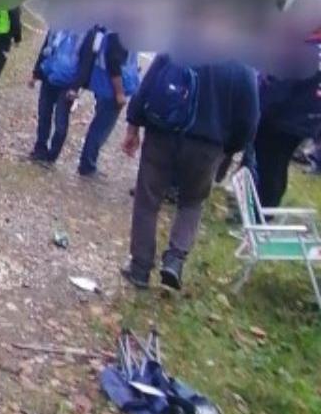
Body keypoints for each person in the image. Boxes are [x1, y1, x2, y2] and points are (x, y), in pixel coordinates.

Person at [120, 57, 260, 290]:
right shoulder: (243, 65)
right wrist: (228, 147)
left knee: (147, 200)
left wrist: (133, 125)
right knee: (192, 202)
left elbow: (148, 85)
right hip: (208, 145)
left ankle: (139, 268)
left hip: (162, 134)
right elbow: (250, 119)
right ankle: (174, 260)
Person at [253, 65, 321, 207]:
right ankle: (267, 204)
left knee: (269, 167)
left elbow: (280, 89)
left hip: (281, 120)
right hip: (303, 119)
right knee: (278, 166)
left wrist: (258, 109)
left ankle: (264, 207)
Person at [28, 26, 98, 164]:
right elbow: (46, 48)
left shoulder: (88, 32)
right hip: (49, 75)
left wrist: (75, 87)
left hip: (68, 84)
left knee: (60, 121)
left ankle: (52, 154)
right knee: (44, 115)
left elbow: (87, 63)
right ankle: (40, 149)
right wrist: (36, 73)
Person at [77, 28, 136, 178]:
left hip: (103, 86)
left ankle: (88, 162)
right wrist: (119, 92)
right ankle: (87, 165)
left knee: (99, 126)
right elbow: (114, 63)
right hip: (110, 90)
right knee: (100, 128)